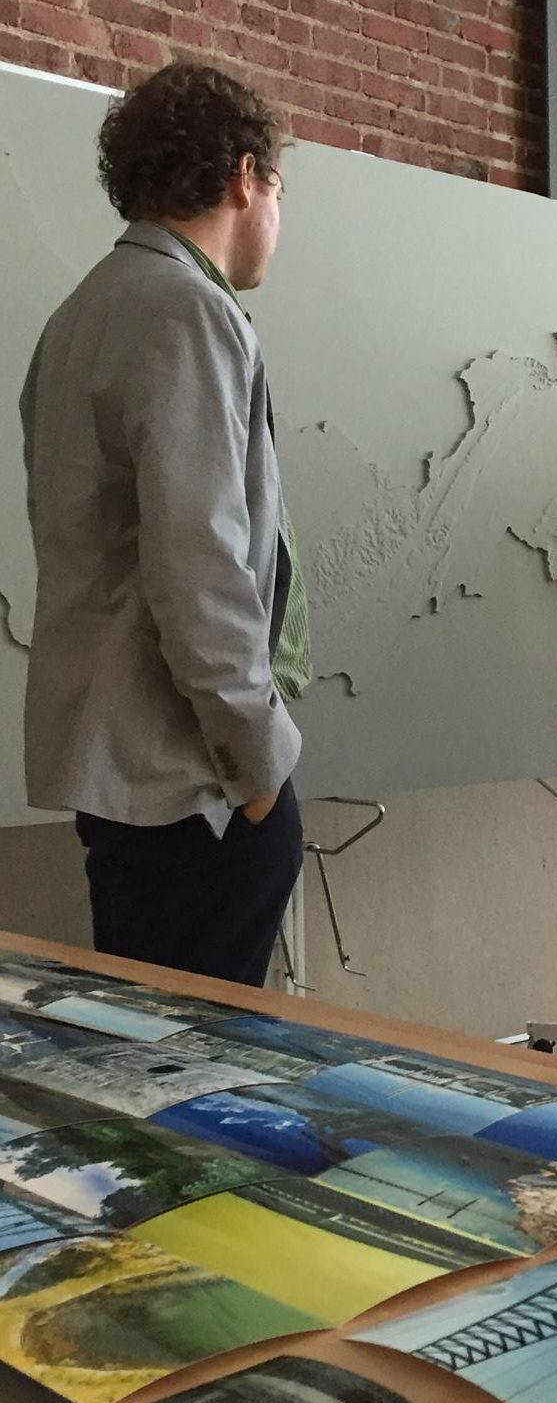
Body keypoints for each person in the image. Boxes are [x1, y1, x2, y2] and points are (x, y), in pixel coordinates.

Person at [19, 63, 310, 988]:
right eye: (278, 190)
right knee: (207, 1071)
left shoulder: (79, 315)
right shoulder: (188, 312)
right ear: (243, 175)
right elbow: (200, 569)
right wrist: (258, 769)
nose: (276, 220)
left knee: (147, 1050)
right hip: (198, 782)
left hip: (119, 773)